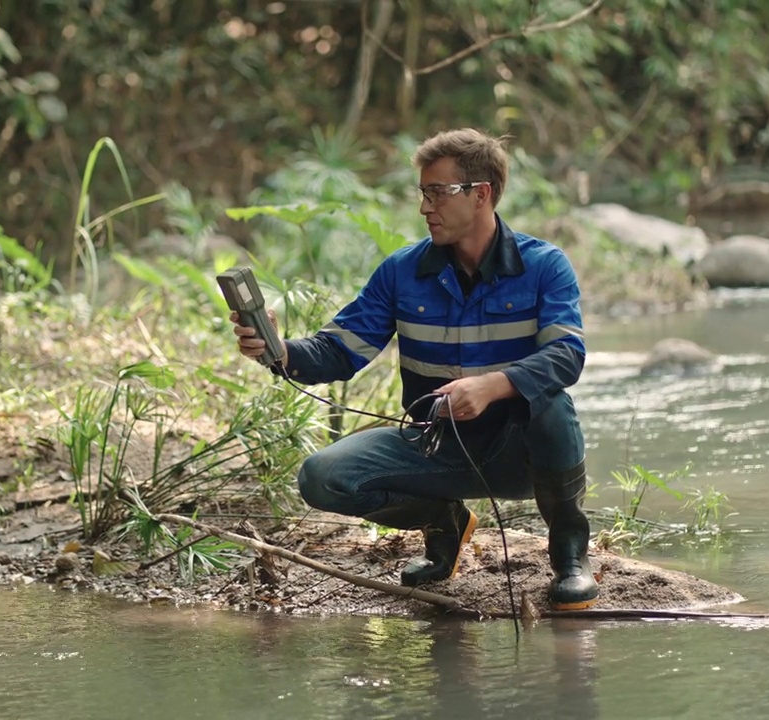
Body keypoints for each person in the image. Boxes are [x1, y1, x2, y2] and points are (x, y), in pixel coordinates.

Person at [231, 128, 597, 610]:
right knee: (321, 477)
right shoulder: (402, 272)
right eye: (423, 193)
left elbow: (566, 355)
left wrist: (493, 386)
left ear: (481, 194)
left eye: (437, 193)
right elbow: (340, 351)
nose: (425, 207)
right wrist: (277, 350)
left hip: (520, 453)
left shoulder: (544, 266)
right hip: (435, 442)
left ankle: (570, 554)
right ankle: (444, 523)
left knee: (550, 404)